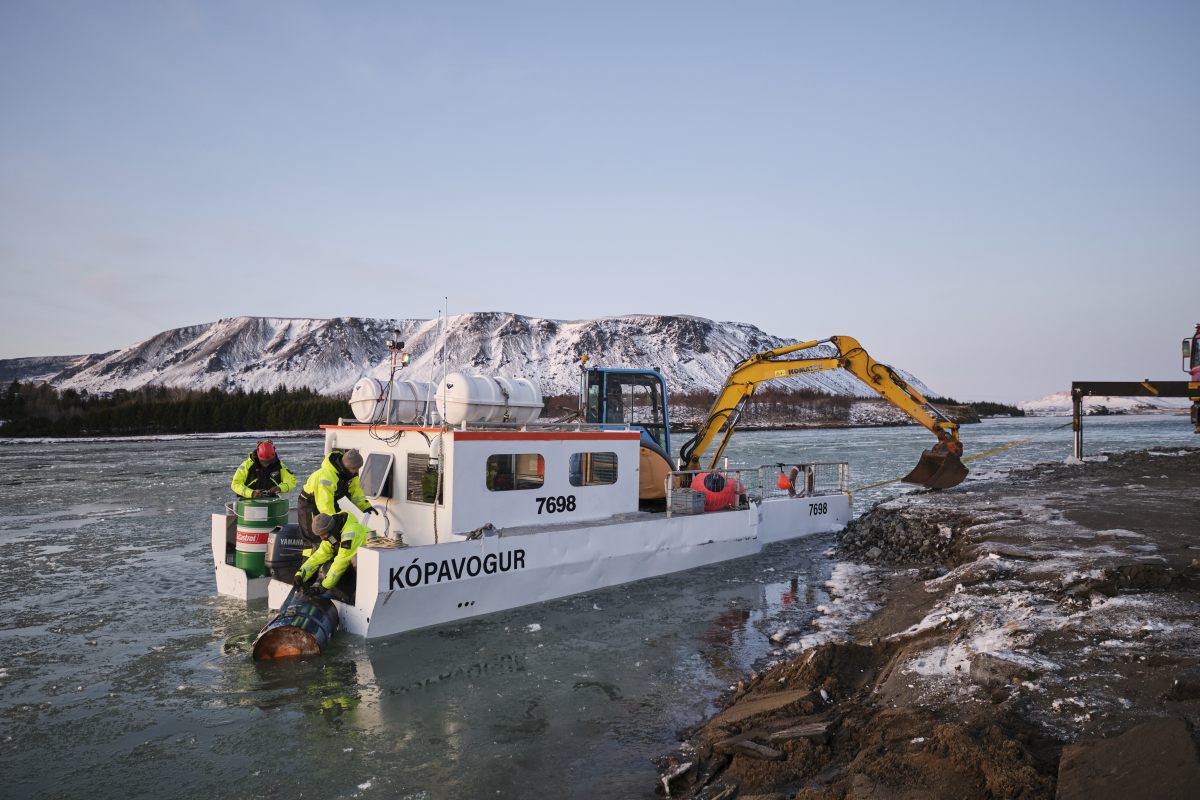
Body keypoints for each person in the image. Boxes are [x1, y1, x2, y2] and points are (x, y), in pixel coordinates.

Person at [296, 448, 375, 545]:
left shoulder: (349, 474)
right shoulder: (327, 476)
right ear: (346, 466)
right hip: (309, 504)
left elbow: (355, 491)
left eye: (358, 468)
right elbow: (324, 503)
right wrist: (331, 523)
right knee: (313, 536)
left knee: (337, 530)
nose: (356, 471)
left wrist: (365, 506)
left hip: (329, 502)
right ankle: (309, 557)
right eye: (354, 468)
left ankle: (334, 547)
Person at [293, 512, 371, 601]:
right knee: (327, 567)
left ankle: (357, 599)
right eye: (320, 536)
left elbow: (340, 563)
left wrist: (323, 587)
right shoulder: (332, 535)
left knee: (334, 568)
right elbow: (318, 556)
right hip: (357, 564)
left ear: (331, 529)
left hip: (372, 568)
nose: (322, 538)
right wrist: (300, 574)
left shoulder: (350, 534)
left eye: (323, 534)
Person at [231, 440, 296, 499]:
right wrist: (251, 493)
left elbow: (291, 481)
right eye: (263, 462)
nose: (266, 464)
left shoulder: (279, 466)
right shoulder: (247, 466)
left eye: (269, 461)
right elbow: (236, 484)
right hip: (248, 503)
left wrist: (279, 488)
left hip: (273, 503)